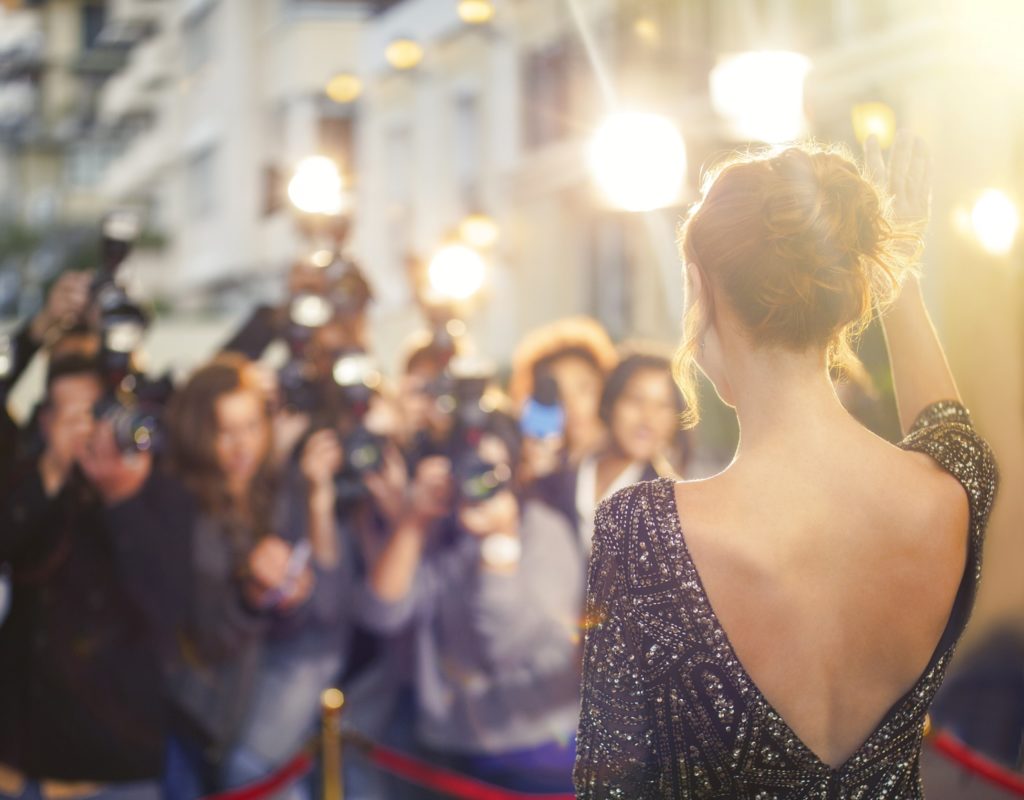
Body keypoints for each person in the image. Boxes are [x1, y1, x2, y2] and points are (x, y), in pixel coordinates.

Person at [574, 134, 998, 798]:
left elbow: (609, 787)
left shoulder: (642, 532)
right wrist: (901, 278)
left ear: (701, 289)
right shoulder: (949, 496)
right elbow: (948, 431)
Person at [83, 355, 346, 799]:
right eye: (224, 431)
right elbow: (198, 633)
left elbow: (326, 610)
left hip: (250, 717)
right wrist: (251, 597)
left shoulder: (278, 489)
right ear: (197, 432)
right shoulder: (177, 500)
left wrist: (291, 594)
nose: (241, 446)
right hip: (184, 717)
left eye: (250, 427)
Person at [359, 412, 584, 794]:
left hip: (535, 747)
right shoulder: (438, 530)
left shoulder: (545, 532)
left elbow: (504, 649)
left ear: (515, 473)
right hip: (448, 745)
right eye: (468, 466)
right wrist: (413, 519)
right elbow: (382, 615)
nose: (477, 481)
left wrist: (500, 543)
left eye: (492, 470)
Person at [0, 354, 163, 799]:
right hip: (24, 752)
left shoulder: (146, 481)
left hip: (115, 757)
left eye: (92, 413)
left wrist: (119, 495)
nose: (82, 428)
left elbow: (164, 600)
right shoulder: (28, 479)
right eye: (67, 415)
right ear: (46, 420)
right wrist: (52, 469)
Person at [532, 347, 685, 554]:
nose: (648, 419)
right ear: (612, 402)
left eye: (663, 406)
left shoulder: (672, 504)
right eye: (636, 400)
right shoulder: (567, 474)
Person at [509, 316, 619, 482]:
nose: (572, 404)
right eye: (559, 394)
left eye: (584, 388)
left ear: (604, 384)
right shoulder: (539, 461)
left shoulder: (627, 455)